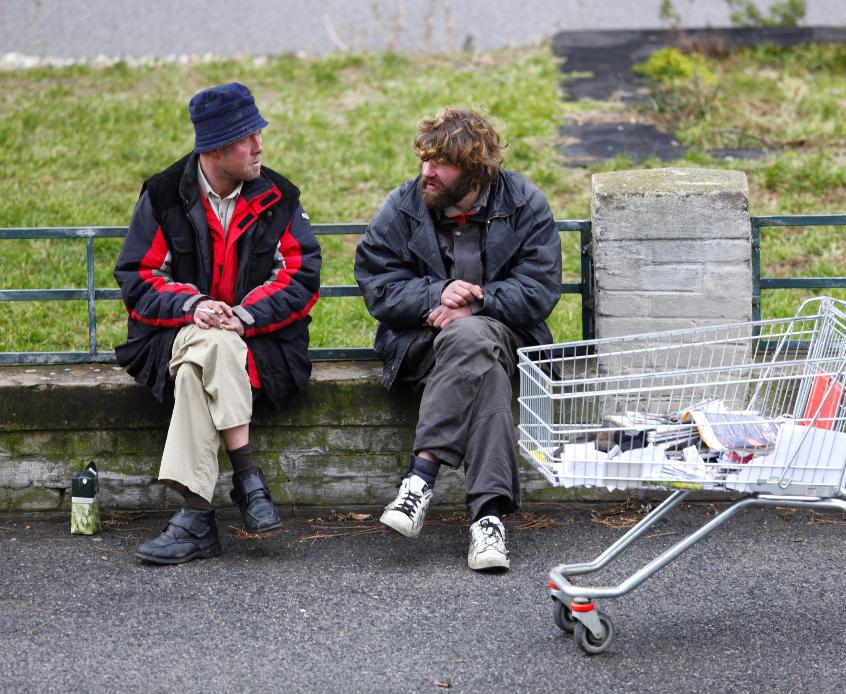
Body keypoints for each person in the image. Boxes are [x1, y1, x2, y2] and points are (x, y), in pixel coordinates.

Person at [114, 82, 321, 565]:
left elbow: (301, 276)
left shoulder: (279, 195)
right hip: (173, 335)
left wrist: (243, 316)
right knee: (209, 343)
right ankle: (247, 478)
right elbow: (140, 277)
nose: (259, 146)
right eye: (247, 136)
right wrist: (195, 307)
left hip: (264, 345)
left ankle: (196, 517)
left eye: (258, 134)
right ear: (215, 147)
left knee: (199, 367)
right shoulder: (164, 195)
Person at [354, 107, 561, 571]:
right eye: (424, 160)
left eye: (439, 164)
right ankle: (488, 521)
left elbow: (540, 289)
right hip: (422, 345)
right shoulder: (404, 205)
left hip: (507, 337)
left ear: (473, 170)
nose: (426, 171)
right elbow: (378, 283)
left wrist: (478, 302)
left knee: (475, 338)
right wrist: (435, 292)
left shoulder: (524, 203)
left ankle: (420, 478)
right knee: (481, 368)